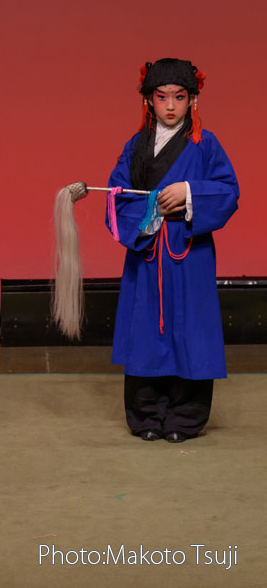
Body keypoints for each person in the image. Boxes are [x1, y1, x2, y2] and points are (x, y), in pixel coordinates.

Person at [107, 58, 238, 443]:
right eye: (161, 97)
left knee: (191, 329)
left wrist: (189, 193)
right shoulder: (136, 147)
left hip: (188, 254)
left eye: (179, 97)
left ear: (192, 100)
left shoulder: (205, 144)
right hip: (149, 254)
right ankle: (146, 413)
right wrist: (149, 212)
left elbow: (229, 191)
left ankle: (185, 417)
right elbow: (117, 196)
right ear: (148, 100)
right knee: (147, 329)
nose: (169, 106)